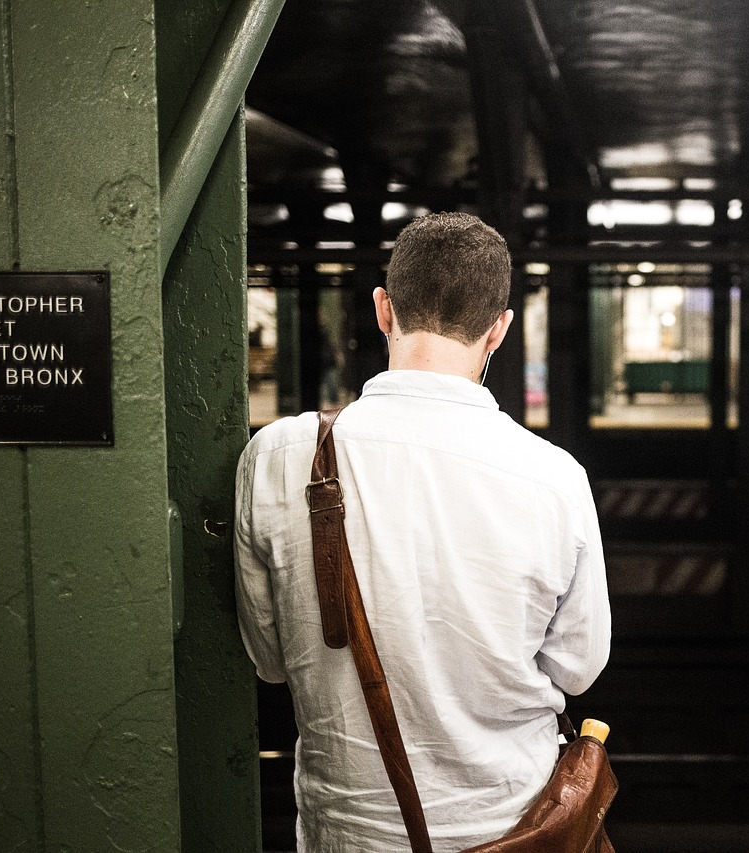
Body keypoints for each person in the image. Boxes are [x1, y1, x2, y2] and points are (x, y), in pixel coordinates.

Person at [234, 212, 611, 852]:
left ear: (384, 310)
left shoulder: (278, 456)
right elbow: (576, 669)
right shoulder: (555, 478)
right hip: (514, 831)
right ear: (499, 329)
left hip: (347, 834)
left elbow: (269, 662)